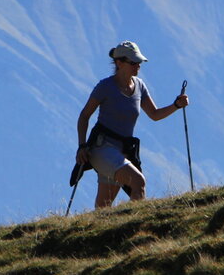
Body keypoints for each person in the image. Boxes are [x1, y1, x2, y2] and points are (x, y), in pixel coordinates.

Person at [75, 41, 190, 209]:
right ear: (119, 63)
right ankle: (135, 229)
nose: (138, 66)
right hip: (102, 149)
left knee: (103, 208)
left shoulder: (140, 86)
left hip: (121, 152)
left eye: (139, 62)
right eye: (133, 62)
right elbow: (84, 116)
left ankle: (99, 234)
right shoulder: (105, 87)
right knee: (138, 182)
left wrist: (176, 106)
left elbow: (154, 114)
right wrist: (82, 146)